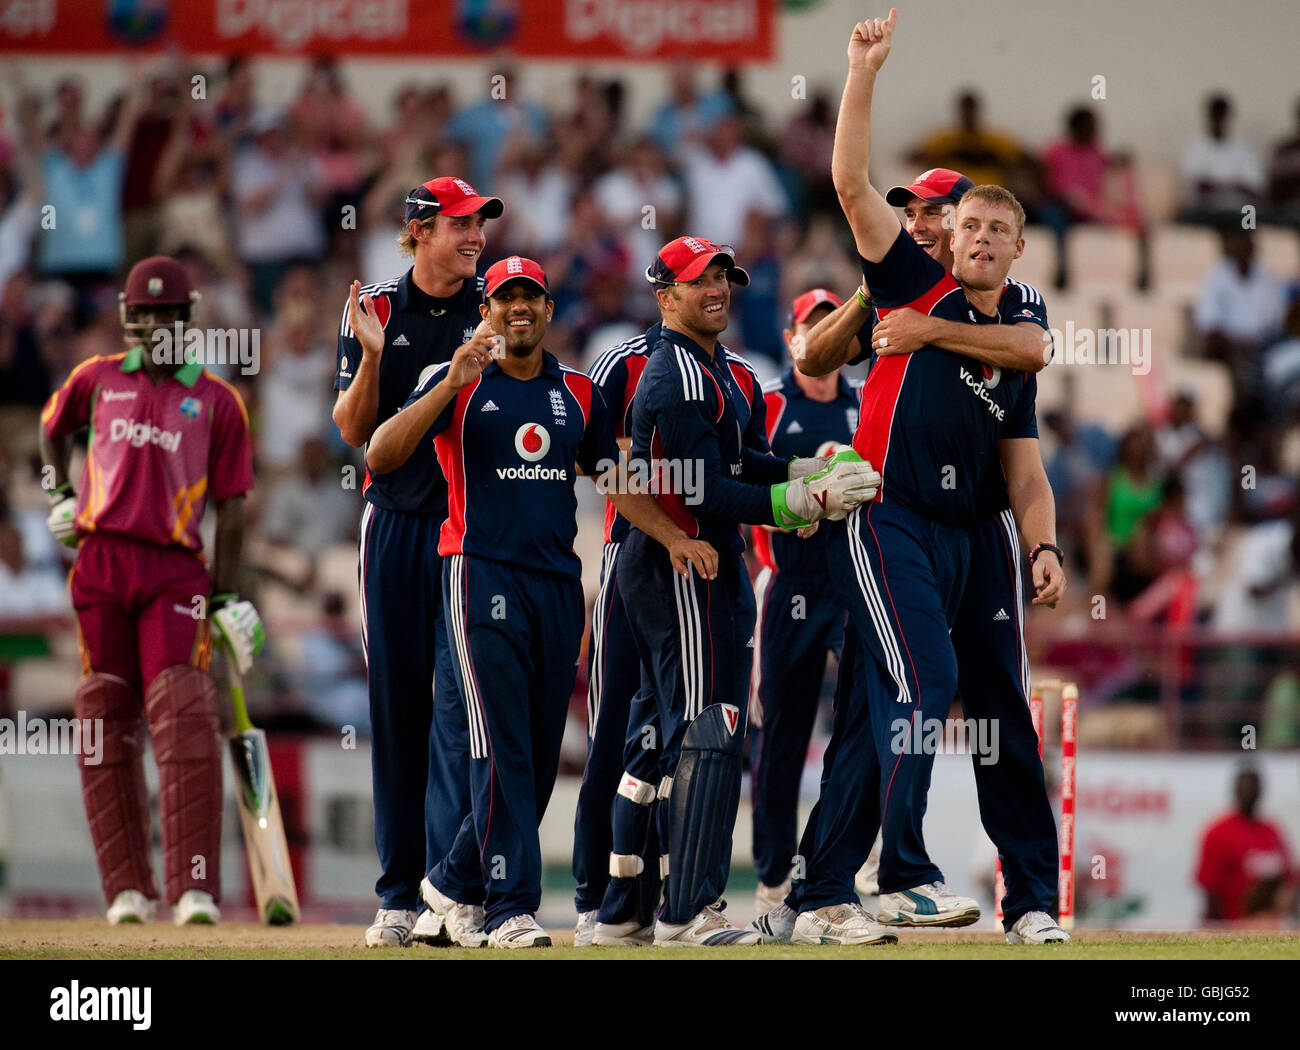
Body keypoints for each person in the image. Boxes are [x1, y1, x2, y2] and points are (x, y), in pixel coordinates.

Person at [762, 12, 1066, 947]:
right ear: (946, 235)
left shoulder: (1012, 315)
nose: (975, 236)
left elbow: (1031, 384)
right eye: (965, 223)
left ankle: (1031, 903)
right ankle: (896, 873)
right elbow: (852, 183)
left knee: (1000, 709)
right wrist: (863, 73)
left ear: (1016, 248)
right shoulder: (904, 280)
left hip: (982, 534)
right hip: (892, 519)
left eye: (994, 228)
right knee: (922, 684)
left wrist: (1045, 542)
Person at [364, 255, 718, 947]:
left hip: (557, 585)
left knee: (540, 750)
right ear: (486, 312)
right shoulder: (456, 381)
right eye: (504, 298)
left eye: (531, 296)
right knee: (502, 747)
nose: (518, 307)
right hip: (479, 575)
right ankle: (508, 907)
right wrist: (448, 386)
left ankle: (454, 880)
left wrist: (673, 536)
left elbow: (613, 476)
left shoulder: (581, 392)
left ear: (550, 310)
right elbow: (379, 455)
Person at [615, 235, 880, 946]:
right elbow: (701, 489)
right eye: (702, 280)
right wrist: (801, 504)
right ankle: (683, 913)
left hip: (705, 562)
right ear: (664, 294)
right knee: (707, 732)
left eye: (725, 278)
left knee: (693, 734)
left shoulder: (721, 369)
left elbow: (743, 461)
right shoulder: (678, 374)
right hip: (683, 563)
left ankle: (627, 909)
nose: (719, 290)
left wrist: (798, 471)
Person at [38, 256, 259, 925]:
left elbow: (235, 509)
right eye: (147, 313)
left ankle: (192, 886)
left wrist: (223, 597)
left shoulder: (219, 401)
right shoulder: (97, 379)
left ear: (189, 319)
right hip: (100, 563)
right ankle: (125, 892)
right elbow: (52, 430)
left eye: (171, 313)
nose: (159, 324)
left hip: (175, 570)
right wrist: (59, 492)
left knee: (184, 715)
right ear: (129, 319)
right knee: (105, 716)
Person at [332, 175, 503, 948]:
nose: (475, 237)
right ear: (420, 229)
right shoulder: (376, 306)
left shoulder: (497, 302)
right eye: (462, 225)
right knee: (397, 710)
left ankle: (450, 889)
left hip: (469, 533)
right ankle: (398, 896)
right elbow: (351, 432)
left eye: (480, 226)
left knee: (461, 712)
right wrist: (372, 358)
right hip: (397, 524)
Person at [749, 288, 860, 917]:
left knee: (867, 717)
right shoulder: (769, 403)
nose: (821, 335)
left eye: (832, 325)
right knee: (781, 735)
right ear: (793, 335)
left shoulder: (864, 402)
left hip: (853, 582)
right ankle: (771, 877)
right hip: (787, 580)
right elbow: (740, 475)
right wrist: (787, 510)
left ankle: (857, 864)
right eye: (810, 325)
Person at [1196, 768, 1296, 922]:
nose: (1249, 793)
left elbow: (1290, 880)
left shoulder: (1272, 832)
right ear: (1235, 791)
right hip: (1232, 924)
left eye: (1253, 788)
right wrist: (1222, 930)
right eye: (1245, 788)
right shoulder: (1218, 832)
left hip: (1269, 928)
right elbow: (1210, 888)